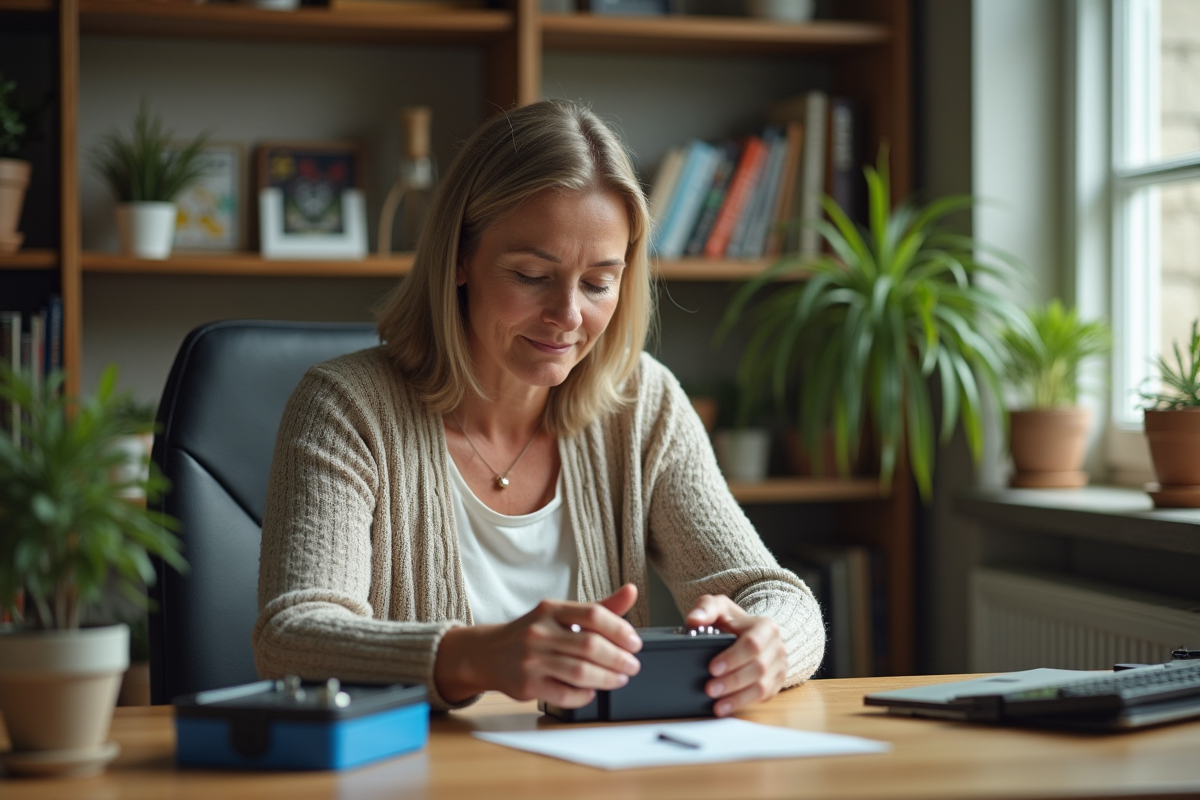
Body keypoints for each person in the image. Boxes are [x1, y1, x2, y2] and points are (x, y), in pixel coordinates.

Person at [253, 99, 825, 715]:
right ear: (460, 258)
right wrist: (479, 655)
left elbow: (774, 595)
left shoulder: (642, 403)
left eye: (599, 282)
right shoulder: (345, 409)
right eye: (531, 275)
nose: (568, 316)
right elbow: (292, 637)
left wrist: (769, 643)